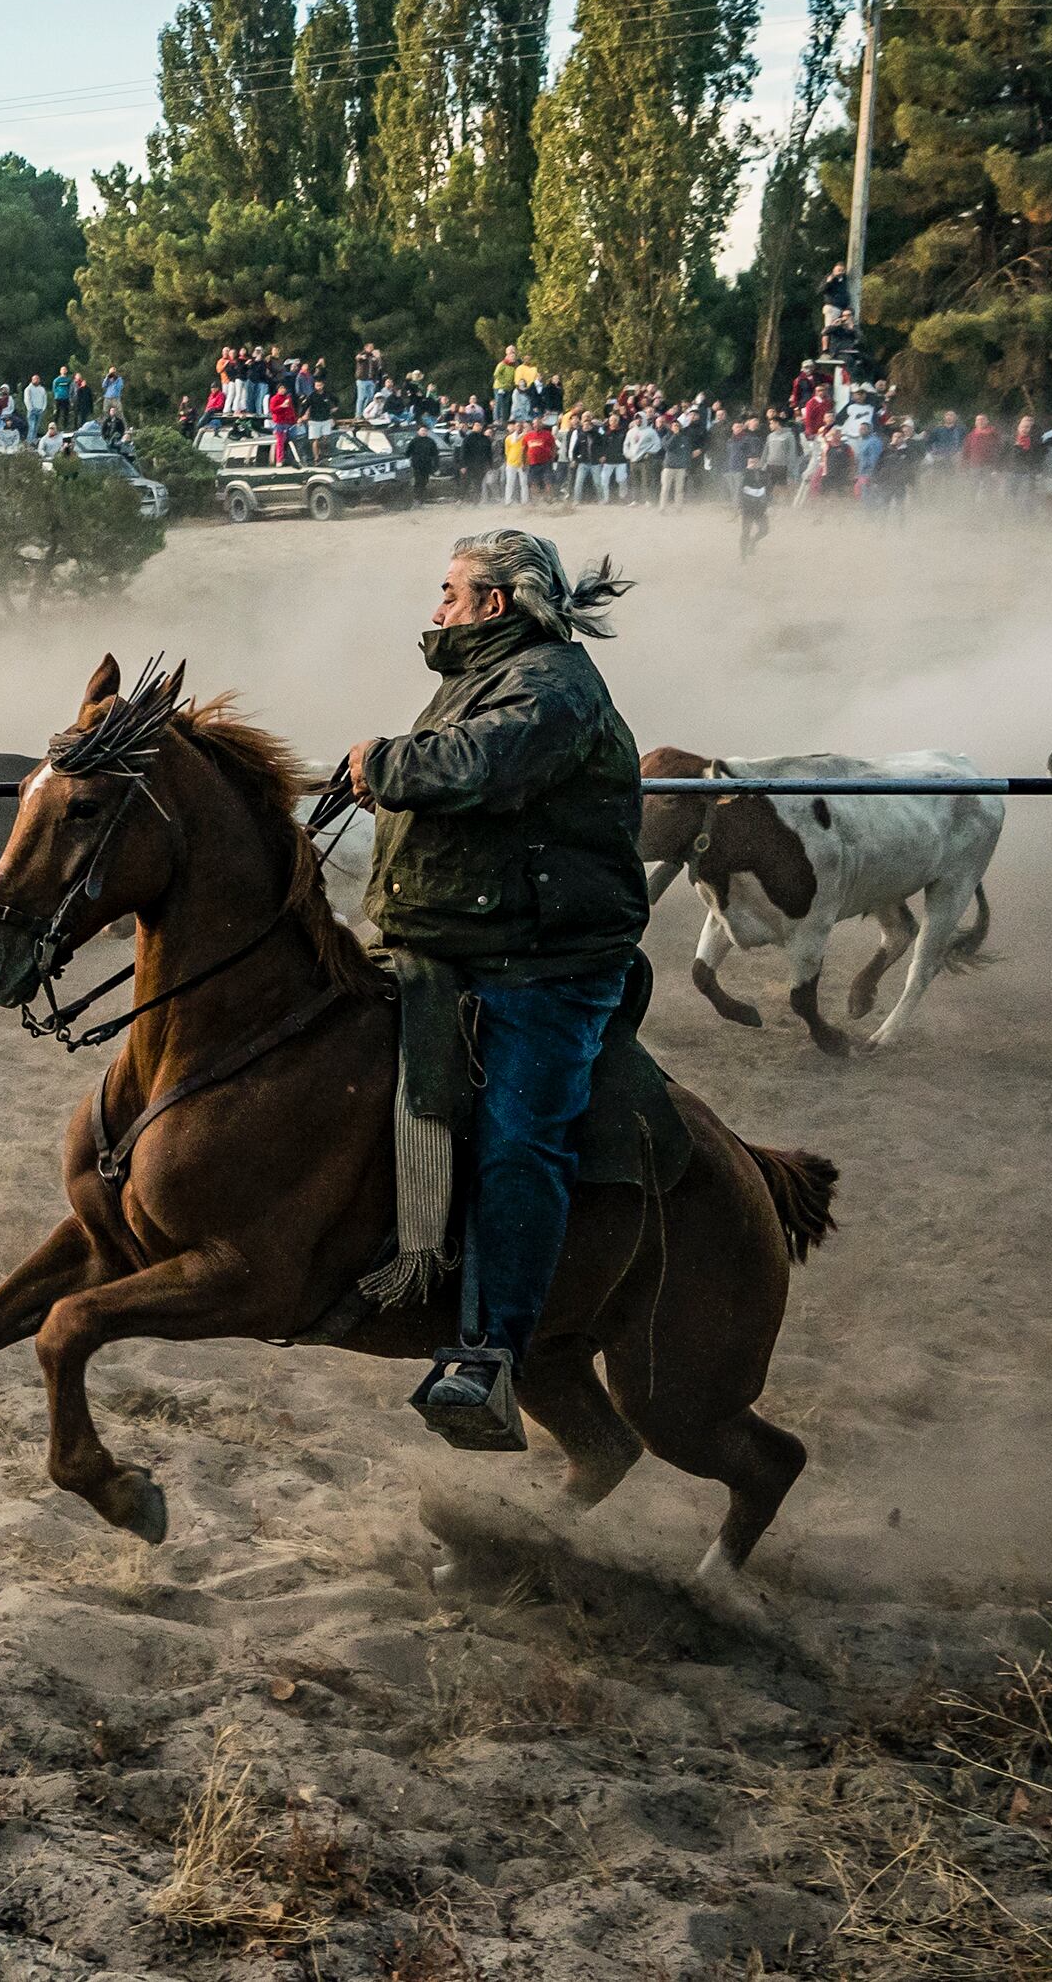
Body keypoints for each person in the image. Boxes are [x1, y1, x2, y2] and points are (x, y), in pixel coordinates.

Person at [342, 529, 647, 1451]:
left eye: (448, 591)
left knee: (521, 1141)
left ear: (495, 603)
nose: (435, 608)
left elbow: (485, 762)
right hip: (457, 940)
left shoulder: (553, 684)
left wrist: (384, 762)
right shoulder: (486, 669)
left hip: (544, 965)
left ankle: (488, 1356)